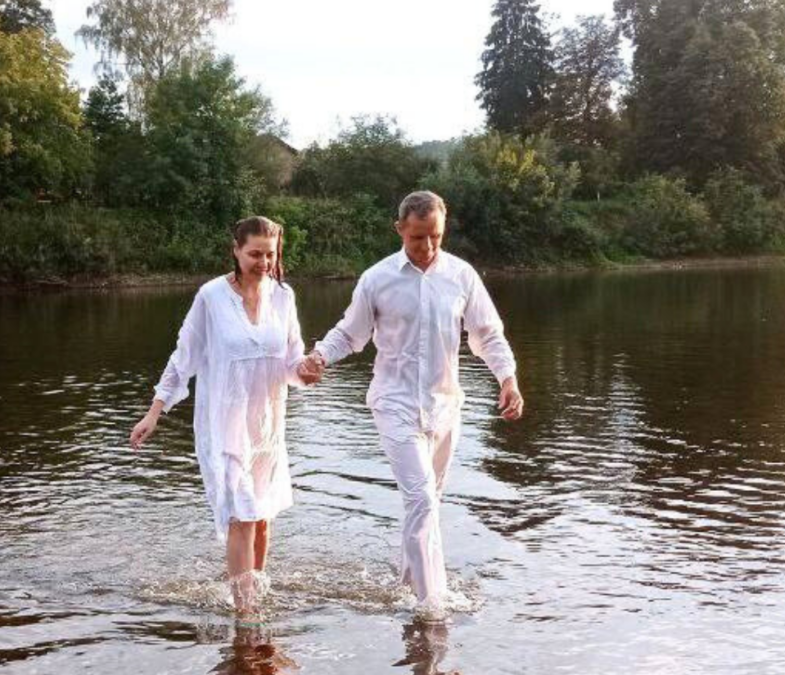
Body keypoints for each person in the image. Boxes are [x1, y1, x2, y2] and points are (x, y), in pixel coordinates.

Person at [306, 190, 523, 618]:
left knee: (428, 502)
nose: (427, 247)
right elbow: (351, 333)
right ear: (400, 229)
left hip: (445, 407)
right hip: (394, 404)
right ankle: (432, 608)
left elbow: (487, 334)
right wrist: (318, 357)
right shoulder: (377, 278)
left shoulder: (461, 276)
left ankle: (408, 585)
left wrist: (508, 379)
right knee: (422, 499)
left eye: (436, 237)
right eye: (418, 238)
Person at [129, 216, 320, 614]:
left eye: (270, 254)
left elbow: (290, 362)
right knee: (243, 514)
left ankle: (256, 594)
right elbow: (183, 359)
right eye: (254, 254)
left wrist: (307, 371)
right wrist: (154, 412)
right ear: (235, 249)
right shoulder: (211, 297)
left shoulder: (284, 296)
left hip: (267, 426)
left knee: (263, 516)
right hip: (224, 425)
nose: (264, 262)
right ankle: (244, 611)